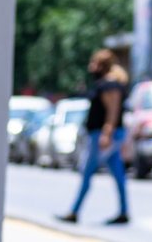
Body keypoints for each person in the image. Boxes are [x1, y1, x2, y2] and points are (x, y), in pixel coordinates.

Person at [57, 49, 129, 226]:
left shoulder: (109, 85)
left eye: (94, 63)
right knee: (118, 173)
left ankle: (74, 211)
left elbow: (112, 111)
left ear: (101, 65)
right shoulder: (108, 83)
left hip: (103, 135)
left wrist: (106, 133)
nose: (91, 67)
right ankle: (124, 211)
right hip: (107, 134)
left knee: (87, 171)